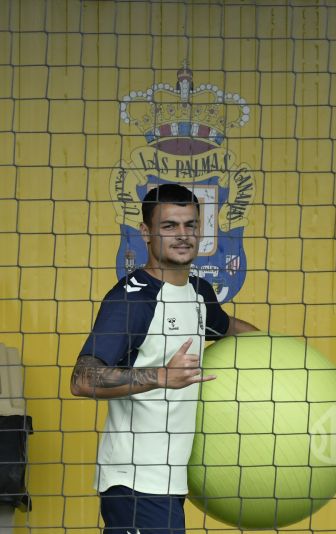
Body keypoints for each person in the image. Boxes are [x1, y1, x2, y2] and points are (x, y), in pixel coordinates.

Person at [70, 183, 258, 534]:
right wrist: (160, 376)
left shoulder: (199, 293)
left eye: (190, 224)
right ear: (146, 232)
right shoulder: (132, 299)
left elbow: (226, 326)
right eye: (170, 226)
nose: (183, 235)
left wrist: (276, 347)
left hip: (169, 483)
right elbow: (83, 379)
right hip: (135, 483)